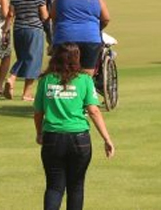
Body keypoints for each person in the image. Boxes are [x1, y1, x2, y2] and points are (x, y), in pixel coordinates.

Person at [34, 43, 114, 210]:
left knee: (54, 187)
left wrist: (39, 133)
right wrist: (107, 139)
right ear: (77, 58)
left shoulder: (46, 80)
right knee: (76, 186)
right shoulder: (84, 79)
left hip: (52, 137)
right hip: (79, 139)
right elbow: (94, 111)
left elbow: (38, 112)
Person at [51, 0, 110, 75]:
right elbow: (106, 19)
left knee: (62, 72)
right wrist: (98, 28)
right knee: (87, 75)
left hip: (64, 37)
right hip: (90, 38)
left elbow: (54, 16)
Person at [5, 0, 49, 101]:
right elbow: (44, 15)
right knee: (33, 60)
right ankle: (22, 89)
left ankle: (15, 81)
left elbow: (11, 14)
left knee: (23, 57)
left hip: (18, 29)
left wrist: (6, 30)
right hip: (34, 30)